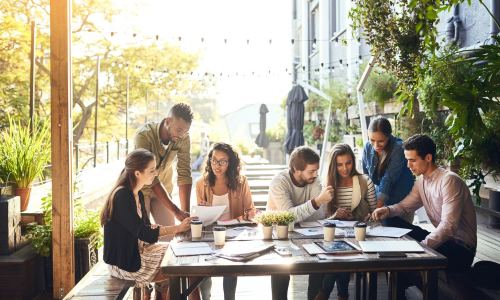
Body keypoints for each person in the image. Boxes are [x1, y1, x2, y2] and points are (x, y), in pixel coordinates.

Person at [370, 134, 477, 299]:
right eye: (407, 160)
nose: (408, 165)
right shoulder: (421, 182)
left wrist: (420, 248)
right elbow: (405, 207)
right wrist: (387, 210)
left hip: (459, 249)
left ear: (428, 157)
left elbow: (449, 227)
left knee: (402, 258)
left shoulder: (449, 181)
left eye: (412, 160)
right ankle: (399, 287)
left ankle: (401, 284)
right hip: (442, 243)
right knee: (389, 219)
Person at [100, 149, 199, 300]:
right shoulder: (122, 196)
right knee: (179, 264)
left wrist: (152, 228)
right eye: (152, 170)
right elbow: (142, 232)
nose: (156, 174)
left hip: (138, 251)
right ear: (137, 173)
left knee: (184, 255)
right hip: (124, 262)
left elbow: (144, 231)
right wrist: (177, 228)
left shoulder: (138, 194)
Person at [267, 146, 334, 300]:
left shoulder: (315, 181)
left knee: (320, 260)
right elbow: (289, 216)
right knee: (281, 267)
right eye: (311, 171)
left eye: (317, 170)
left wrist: (300, 213)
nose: (316, 175)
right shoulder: (278, 182)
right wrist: (316, 202)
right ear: (296, 169)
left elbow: (317, 218)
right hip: (280, 237)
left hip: (309, 235)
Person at [196, 142, 259, 300]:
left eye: (223, 161)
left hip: (232, 232)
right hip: (209, 231)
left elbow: (249, 210)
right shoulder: (200, 183)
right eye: (214, 160)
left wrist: (251, 215)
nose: (217, 165)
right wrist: (205, 210)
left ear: (231, 163)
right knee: (205, 263)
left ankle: (229, 298)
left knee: (230, 265)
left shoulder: (241, 182)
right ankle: (206, 297)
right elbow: (200, 218)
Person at [314, 144, 377, 300]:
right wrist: (334, 216)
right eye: (340, 164)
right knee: (340, 251)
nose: (344, 168)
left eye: (348, 163)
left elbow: (375, 215)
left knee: (340, 252)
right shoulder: (326, 185)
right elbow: (321, 219)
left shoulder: (364, 181)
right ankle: (342, 295)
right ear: (333, 165)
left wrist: (368, 220)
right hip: (333, 237)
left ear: (353, 161)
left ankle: (324, 293)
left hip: (359, 235)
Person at [362, 117, 415, 223]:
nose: (376, 145)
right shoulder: (368, 147)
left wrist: (376, 211)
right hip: (380, 201)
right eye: (372, 140)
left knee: (402, 236)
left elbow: (387, 181)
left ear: (389, 135)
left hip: (401, 203)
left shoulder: (399, 148)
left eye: (381, 141)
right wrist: (370, 207)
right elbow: (365, 178)